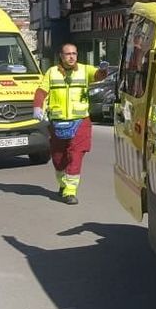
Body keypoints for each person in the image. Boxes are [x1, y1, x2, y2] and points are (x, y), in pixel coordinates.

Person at [33, 44, 107, 205]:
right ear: (61, 56)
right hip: (58, 122)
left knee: (76, 153)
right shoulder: (51, 72)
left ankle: (70, 191)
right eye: (68, 54)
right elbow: (41, 91)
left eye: (74, 53)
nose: (71, 57)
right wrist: (37, 106)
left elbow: (99, 75)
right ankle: (63, 184)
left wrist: (103, 70)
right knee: (58, 157)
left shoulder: (84, 70)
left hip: (80, 120)